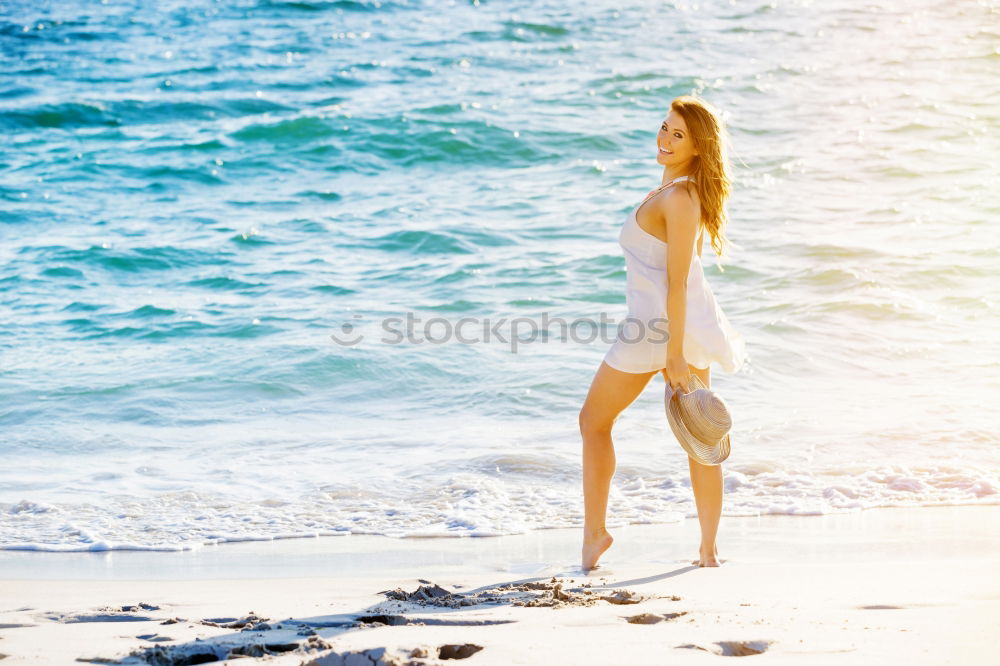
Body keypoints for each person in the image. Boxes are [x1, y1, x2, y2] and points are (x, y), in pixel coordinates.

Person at [579, 95, 747, 572]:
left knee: (593, 421)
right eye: (664, 129)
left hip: (659, 329)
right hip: (677, 325)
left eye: (679, 135)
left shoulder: (679, 197)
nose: (666, 140)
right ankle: (707, 550)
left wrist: (673, 353)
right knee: (699, 433)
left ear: (698, 147)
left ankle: (595, 535)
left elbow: (677, 281)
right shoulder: (673, 192)